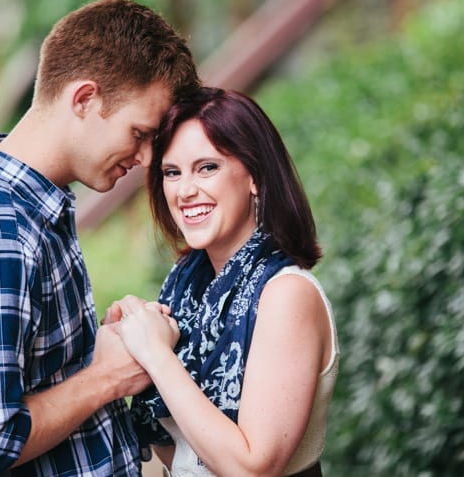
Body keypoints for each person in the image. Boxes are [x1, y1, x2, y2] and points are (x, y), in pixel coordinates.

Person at [0, 0, 199, 475]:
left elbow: (36, 382)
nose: (147, 159)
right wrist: (107, 375)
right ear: (85, 99)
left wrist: (107, 347)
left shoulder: (36, 212)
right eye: (139, 133)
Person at [112, 87, 339, 476]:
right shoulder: (188, 290)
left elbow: (252, 468)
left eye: (208, 168)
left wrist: (154, 353)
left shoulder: (285, 294)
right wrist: (124, 345)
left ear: (254, 176)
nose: (185, 191)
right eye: (172, 172)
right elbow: (178, 455)